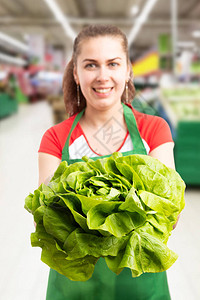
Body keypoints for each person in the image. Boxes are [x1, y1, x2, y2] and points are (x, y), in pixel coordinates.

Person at [38, 25, 175, 300]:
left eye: (113, 63)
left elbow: (168, 212)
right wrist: (126, 218)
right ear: (76, 73)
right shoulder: (56, 138)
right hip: (74, 285)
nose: (103, 76)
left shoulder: (153, 130)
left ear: (128, 71)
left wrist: (87, 222)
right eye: (91, 65)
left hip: (139, 284)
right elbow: (49, 219)